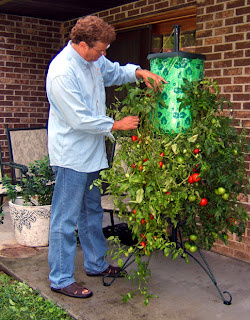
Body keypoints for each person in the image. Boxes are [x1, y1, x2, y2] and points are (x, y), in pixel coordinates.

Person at [46, 15, 166, 299]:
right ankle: (61, 278)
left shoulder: (93, 60)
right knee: (65, 219)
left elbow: (112, 71)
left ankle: (96, 264)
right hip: (71, 157)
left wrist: (139, 73)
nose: (103, 55)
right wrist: (116, 124)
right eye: (99, 50)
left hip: (91, 155)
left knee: (91, 213)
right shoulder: (62, 72)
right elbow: (79, 119)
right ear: (82, 44)